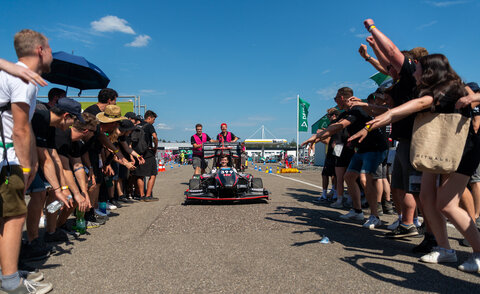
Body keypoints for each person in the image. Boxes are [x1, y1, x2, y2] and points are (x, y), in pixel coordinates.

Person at [353, 54, 480, 272]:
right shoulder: (429, 90)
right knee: (426, 197)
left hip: (461, 150)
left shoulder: (450, 88)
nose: (415, 72)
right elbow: (406, 107)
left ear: (430, 70)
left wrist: (371, 125)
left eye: (418, 68)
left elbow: (419, 104)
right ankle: (445, 249)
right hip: (434, 150)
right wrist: (374, 121)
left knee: (446, 204)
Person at [0, 29, 53, 293]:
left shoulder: (14, 75)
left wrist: (31, 159)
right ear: (40, 50)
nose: (51, 54)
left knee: (7, 215)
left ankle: (7, 271)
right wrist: (26, 165)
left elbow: (26, 128)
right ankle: (10, 282)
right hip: (6, 158)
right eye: (50, 48)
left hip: (10, 157)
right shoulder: (22, 78)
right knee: (13, 217)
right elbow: (19, 129)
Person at [302, 87, 388, 229]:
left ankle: (375, 216)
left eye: (335, 98)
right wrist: (315, 139)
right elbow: (332, 127)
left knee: (365, 179)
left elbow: (339, 127)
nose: (335, 101)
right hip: (361, 149)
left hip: (375, 147)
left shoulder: (357, 109)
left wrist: (316, 137)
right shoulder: (347, 112)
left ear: (341, 98)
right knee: (349, 176)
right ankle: (357, 211)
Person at [131, 110, 158, 201]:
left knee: (140, 175)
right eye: (153, 119)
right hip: (148, 152)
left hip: (137, 153)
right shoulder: (149, 126)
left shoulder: (136, 126)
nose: (153, 122)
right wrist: (155, 147)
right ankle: (148, 195)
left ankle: (141, 195)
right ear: (149, 118)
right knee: (153, 173)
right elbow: (154, 137)